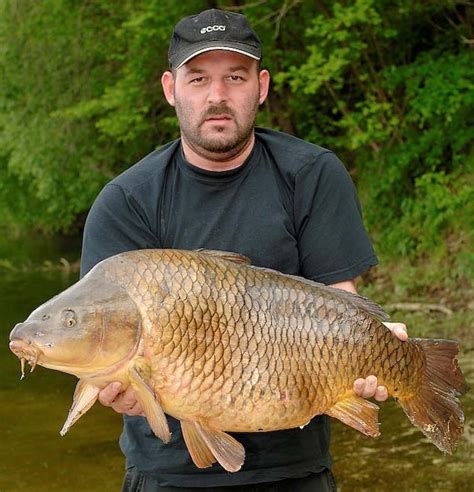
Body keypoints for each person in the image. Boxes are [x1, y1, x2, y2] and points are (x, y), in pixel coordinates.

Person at [80, 8, 408, 492]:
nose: (217, 96)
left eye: (235, 77)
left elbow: (337, 300)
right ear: (171, 89)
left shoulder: (312, 174)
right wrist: (120, 390)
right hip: (167, 475)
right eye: (199, 79)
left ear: (262, 86)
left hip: (296, 466)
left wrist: (374, 348)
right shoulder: (126, 201)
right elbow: (97, 331)